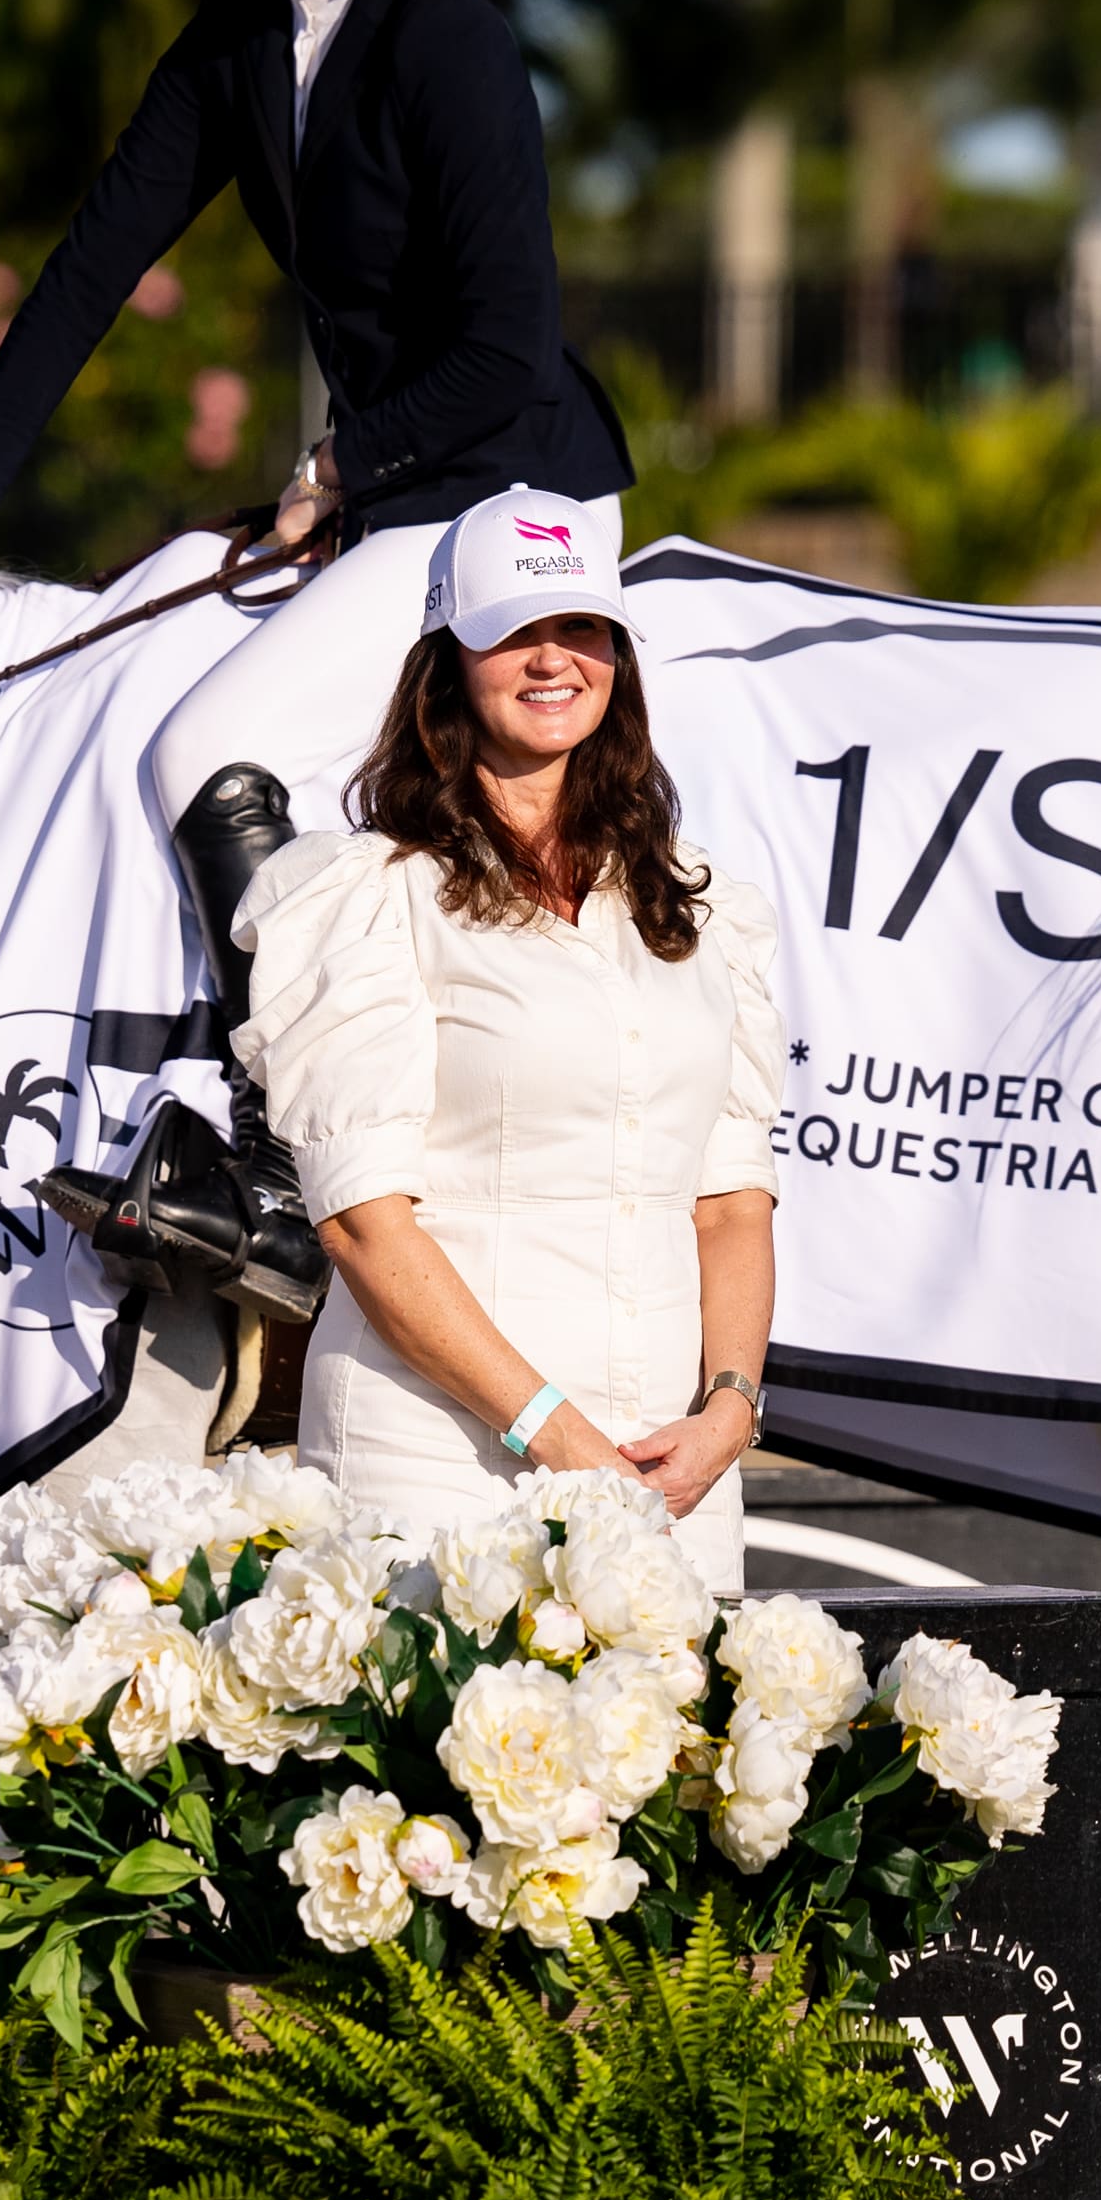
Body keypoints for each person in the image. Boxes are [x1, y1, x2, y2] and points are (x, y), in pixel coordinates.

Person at [0, 0, 633, 1329]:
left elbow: (505, 352)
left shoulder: (458, 50)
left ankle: (284, 1153)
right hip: (398, 492)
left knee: (211, 744)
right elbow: (90, 267)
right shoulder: (235, 41)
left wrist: (338, 470)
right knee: (142, 653)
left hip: (512, 491)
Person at [229, 489, 778, 1588]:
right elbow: (366, 1230)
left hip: (675, 1479)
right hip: (438, 1470)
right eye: (513, 631)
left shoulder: (704, 906)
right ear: (448, 664)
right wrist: (560, 1439)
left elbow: (730, 1204)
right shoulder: (368, 896)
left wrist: (729, 1409)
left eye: (581, 629)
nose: (552, 659)